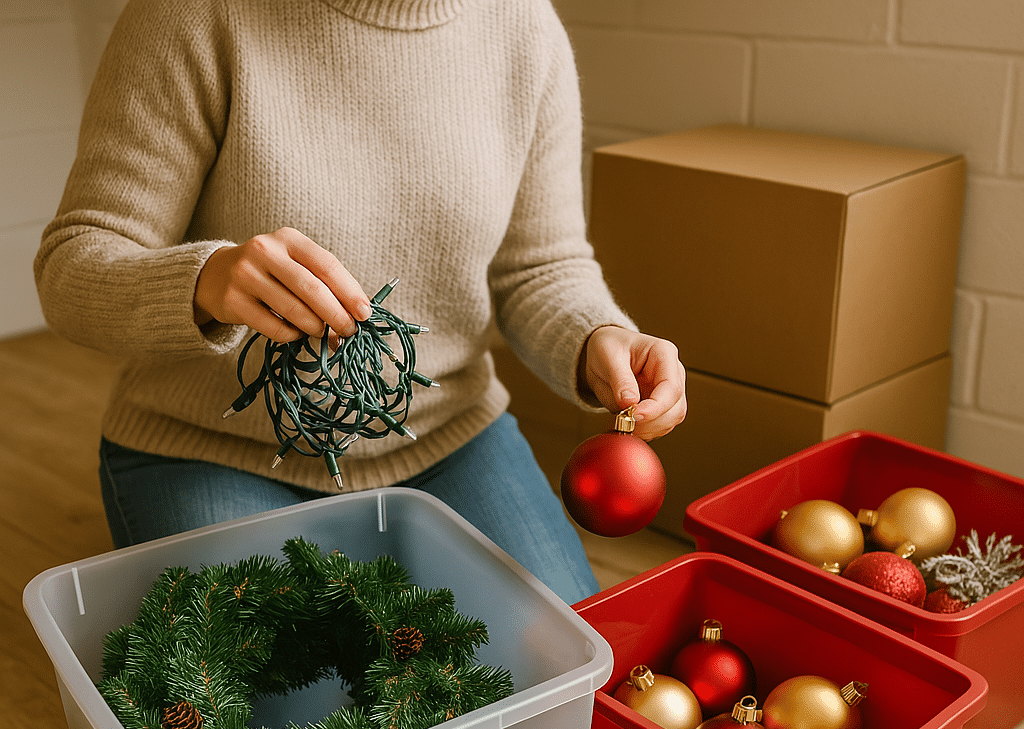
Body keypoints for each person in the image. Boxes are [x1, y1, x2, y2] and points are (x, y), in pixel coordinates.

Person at [35, 0, 687, 605]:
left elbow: (540, 265)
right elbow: (72, 264)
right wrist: (206, 281)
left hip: (448, 440)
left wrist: (595, 336)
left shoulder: (524, 30)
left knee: (572, 684)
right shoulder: (192, 15)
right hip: (206, 448)